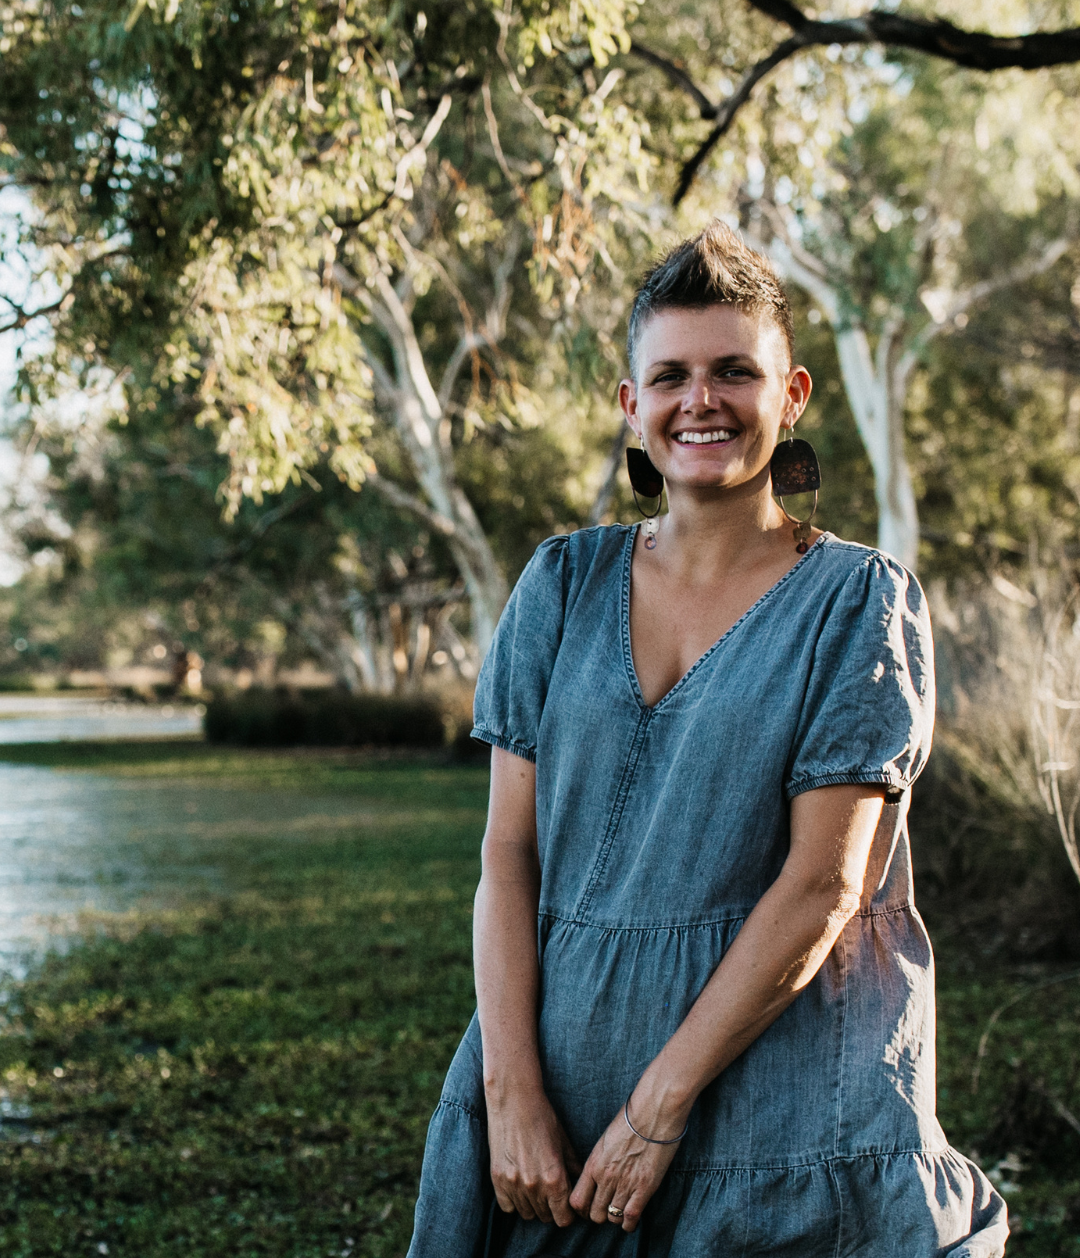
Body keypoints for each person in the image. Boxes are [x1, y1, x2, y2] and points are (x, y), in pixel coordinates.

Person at [407, 222, 1008, 1257]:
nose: (703, 401)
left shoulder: (856, 602)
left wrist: (658, 1109)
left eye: (736, 370)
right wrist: (510, 1092)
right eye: (672, 375)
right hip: (558, 1086)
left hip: (774, 1096)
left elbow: (828, 886)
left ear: (792, 394)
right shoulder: (560, 583)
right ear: (631, 406)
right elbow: (509, 853)